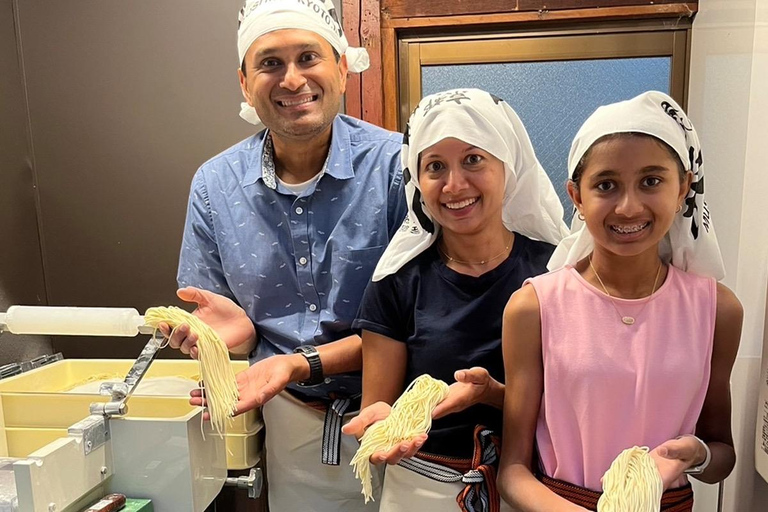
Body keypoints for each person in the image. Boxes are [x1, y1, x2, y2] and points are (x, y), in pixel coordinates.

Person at [168, 1, 407, 510]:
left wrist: (302, 362)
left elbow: (418, 319)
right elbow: (231, 322)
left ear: (341, 67)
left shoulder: (398, 166)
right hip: (291, 419)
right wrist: (216, 336)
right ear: (244, 82)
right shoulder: (215, 185)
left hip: (403, 413)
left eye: (308, 58)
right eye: (270, 63)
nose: (292, 80)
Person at [498, 91, 742, 511]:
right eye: (606, 185)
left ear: (683, 186)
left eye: (651, 181)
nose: (629, 208)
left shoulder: (716, 309)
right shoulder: (534, 307)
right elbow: (512, 472)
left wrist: (698, 455)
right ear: (576, 196)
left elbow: (722, 453)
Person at [342, 88, 568, 511]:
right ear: (417, 180)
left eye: (473, 159)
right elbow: (380, 404)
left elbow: (576, 405)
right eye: (435, 167)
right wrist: (381, 425)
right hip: (420, 485)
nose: (454, 184)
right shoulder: (397, 280)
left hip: (536, 488)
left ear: (509, 165)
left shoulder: (556, 273)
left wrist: (491, 394)